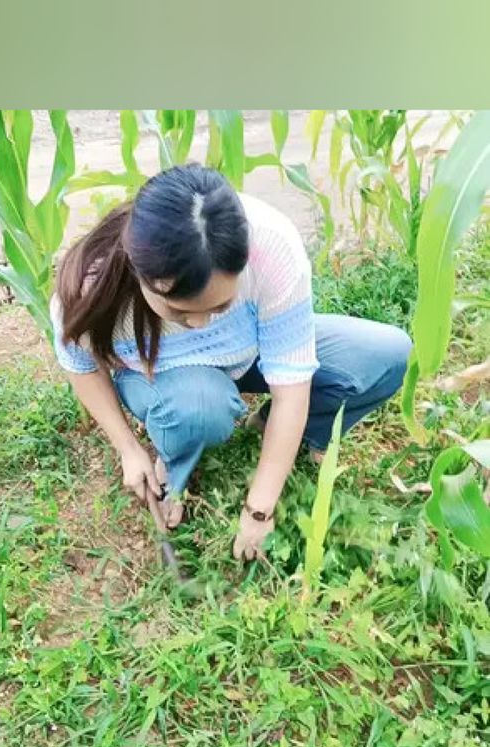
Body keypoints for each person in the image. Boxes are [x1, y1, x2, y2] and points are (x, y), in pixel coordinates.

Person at [51, 163, 412, 561]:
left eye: (220, 305)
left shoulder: (271, 247)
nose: (201, 323)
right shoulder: (90, 282)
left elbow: (293, 384)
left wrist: (259, 507)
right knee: (203, 408)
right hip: (163, 373)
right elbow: (81, 365)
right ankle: (177, 466)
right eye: (181, 312)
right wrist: (128, 449)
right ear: (143, 275)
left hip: (250, 351)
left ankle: (275, 429)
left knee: (386, 354)